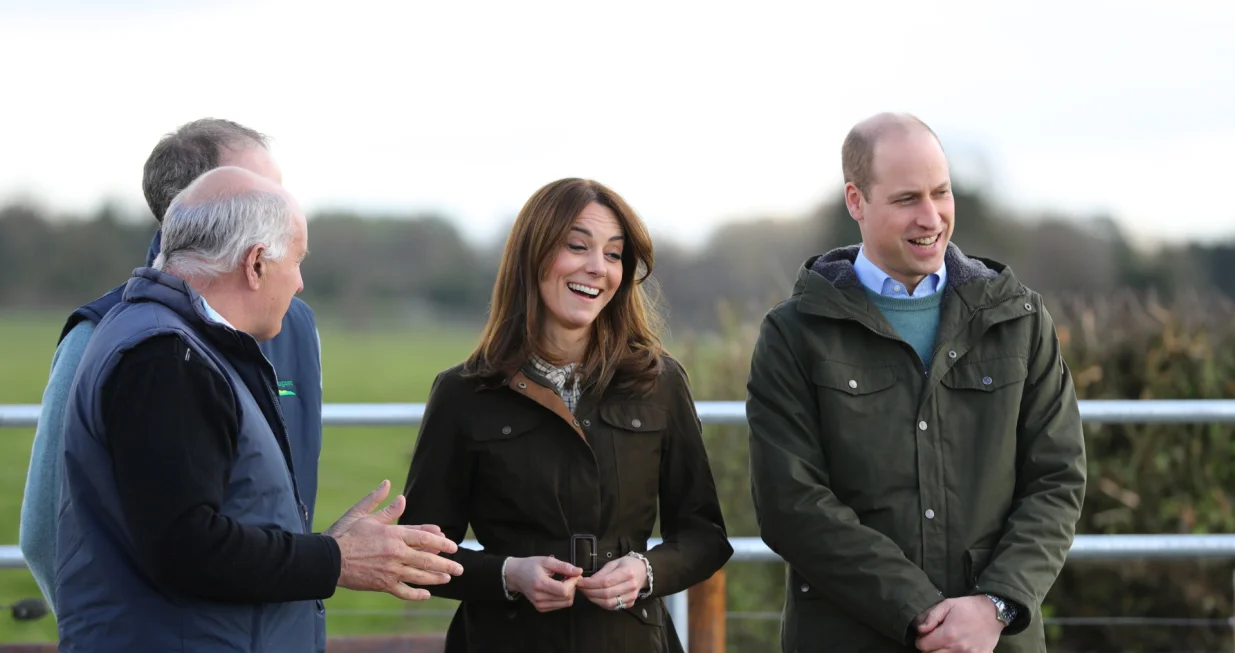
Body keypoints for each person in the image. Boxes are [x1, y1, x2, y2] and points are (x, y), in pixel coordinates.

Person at [53, 166, 463, 652]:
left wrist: (326, 546)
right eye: (296, 260)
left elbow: (199, 523)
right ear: (255, 264)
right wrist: (336, 560)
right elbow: (185, 548)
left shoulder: (175, 341)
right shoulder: (167, 357)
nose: (301, 282)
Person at [747, 113, 1087, 653]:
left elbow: (1057, 480)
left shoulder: (1020, 321)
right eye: (907, 199)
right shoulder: (794, 334)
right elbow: (791, 504)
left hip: (994, 642)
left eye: (941, 192)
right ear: (856, 201)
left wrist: (995, 606)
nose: (931, 216)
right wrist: (922, 613)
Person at [398, 177, 733, 652]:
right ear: (532, 256)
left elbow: (704, 537)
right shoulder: (463, 393)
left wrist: (645, 570)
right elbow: (419, 552)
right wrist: (509, 574)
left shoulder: (659, 382)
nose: (597, 268)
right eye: (578, 246)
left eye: (614, 254)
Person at [19, 118, 325, 617]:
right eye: (260, 192)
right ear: (197, 207)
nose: (284, 209)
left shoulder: (298, 328)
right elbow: (43, 534)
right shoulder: (105, 336)